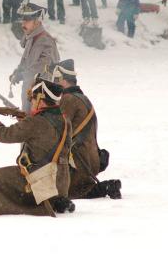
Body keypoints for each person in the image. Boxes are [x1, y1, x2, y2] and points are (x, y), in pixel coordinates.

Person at [0, 77, 72, 216]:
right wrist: (25, 123)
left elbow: (4, 134)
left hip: (42, 183)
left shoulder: (35, 122)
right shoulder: (65, 119)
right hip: (61, 183)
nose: (30, 102)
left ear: (40, 100)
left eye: (33, 98)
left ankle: (35, 205)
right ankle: (54, 201)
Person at [51, 59, 122, 200]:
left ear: (62, 80)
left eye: (56, 80)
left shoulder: (68, 99)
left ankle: (101, 188)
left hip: (80, 163)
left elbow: (55, 130)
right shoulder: (83, 98)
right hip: (91, 161)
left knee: (54, 191)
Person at [9, 2, 60, 112]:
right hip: (31, 92)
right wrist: (18, 71)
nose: (23, 24)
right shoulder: (31, 38)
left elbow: (42, 68)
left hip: (42, 97)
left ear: (37, 22)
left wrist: (22, 75)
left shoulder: (45, 40)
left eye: (27, 20)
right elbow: (26, 61)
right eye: (23, 20)